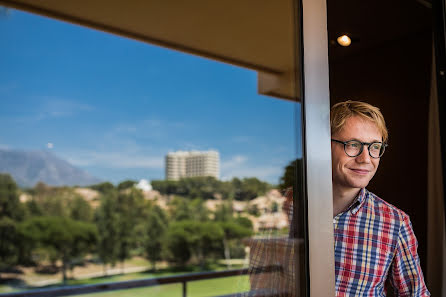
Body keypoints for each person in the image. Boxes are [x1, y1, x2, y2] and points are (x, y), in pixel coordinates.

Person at [330, 100, 429, 296]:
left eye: (374, 147)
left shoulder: (395, 223)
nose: (366, 159)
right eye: (353, 144)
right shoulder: (284, 206)